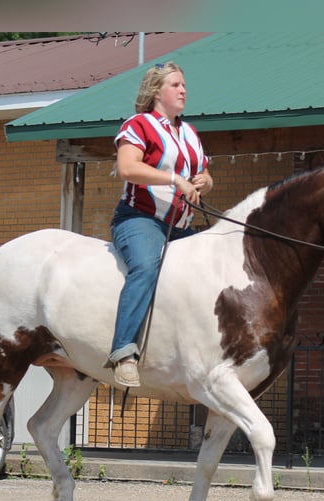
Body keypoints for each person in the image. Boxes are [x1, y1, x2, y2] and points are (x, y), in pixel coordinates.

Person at [106, 61, 214, 388]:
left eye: (184, 85)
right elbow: (127, 169)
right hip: (140, 219)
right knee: (146, 266)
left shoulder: (190, 132)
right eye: (176, 85)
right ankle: (123, 352)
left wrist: (204, 182)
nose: (184, 90)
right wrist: (175, 179)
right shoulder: (138, 125)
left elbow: (206, 175)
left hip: (181, 226)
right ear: (156, 92)